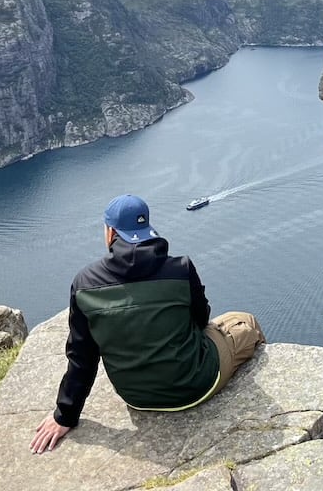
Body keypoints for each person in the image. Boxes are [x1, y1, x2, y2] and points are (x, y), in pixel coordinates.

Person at [31, 194, 265, 453]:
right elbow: (201, 319)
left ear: (110, 233)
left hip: (136, 397)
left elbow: (82, 358)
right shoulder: (180, 269)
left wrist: (64, 415)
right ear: (147, 229)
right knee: (245, 322)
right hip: (196, 385)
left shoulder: (85, 284)